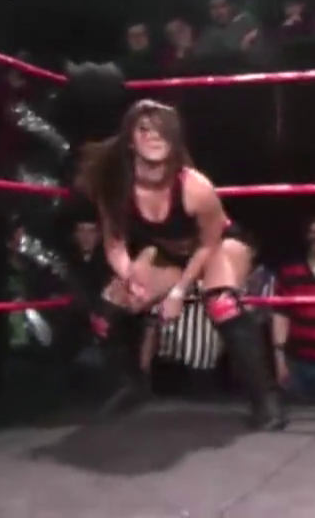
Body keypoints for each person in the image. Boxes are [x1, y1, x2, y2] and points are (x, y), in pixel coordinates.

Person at [77, 99, 286, 430]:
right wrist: (130, 277)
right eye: (144, 129)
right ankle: (131, 384)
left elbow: (209, 243)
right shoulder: (116, 188)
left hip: (219, 246)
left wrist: (178, 292)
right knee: (111, 307)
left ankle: (266, 399)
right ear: (130, 139)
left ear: (174, 139)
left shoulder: (194, 187)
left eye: (162, 131)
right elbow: (115, 244)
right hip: (169, 253)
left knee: (221, 303)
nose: (154, 136)